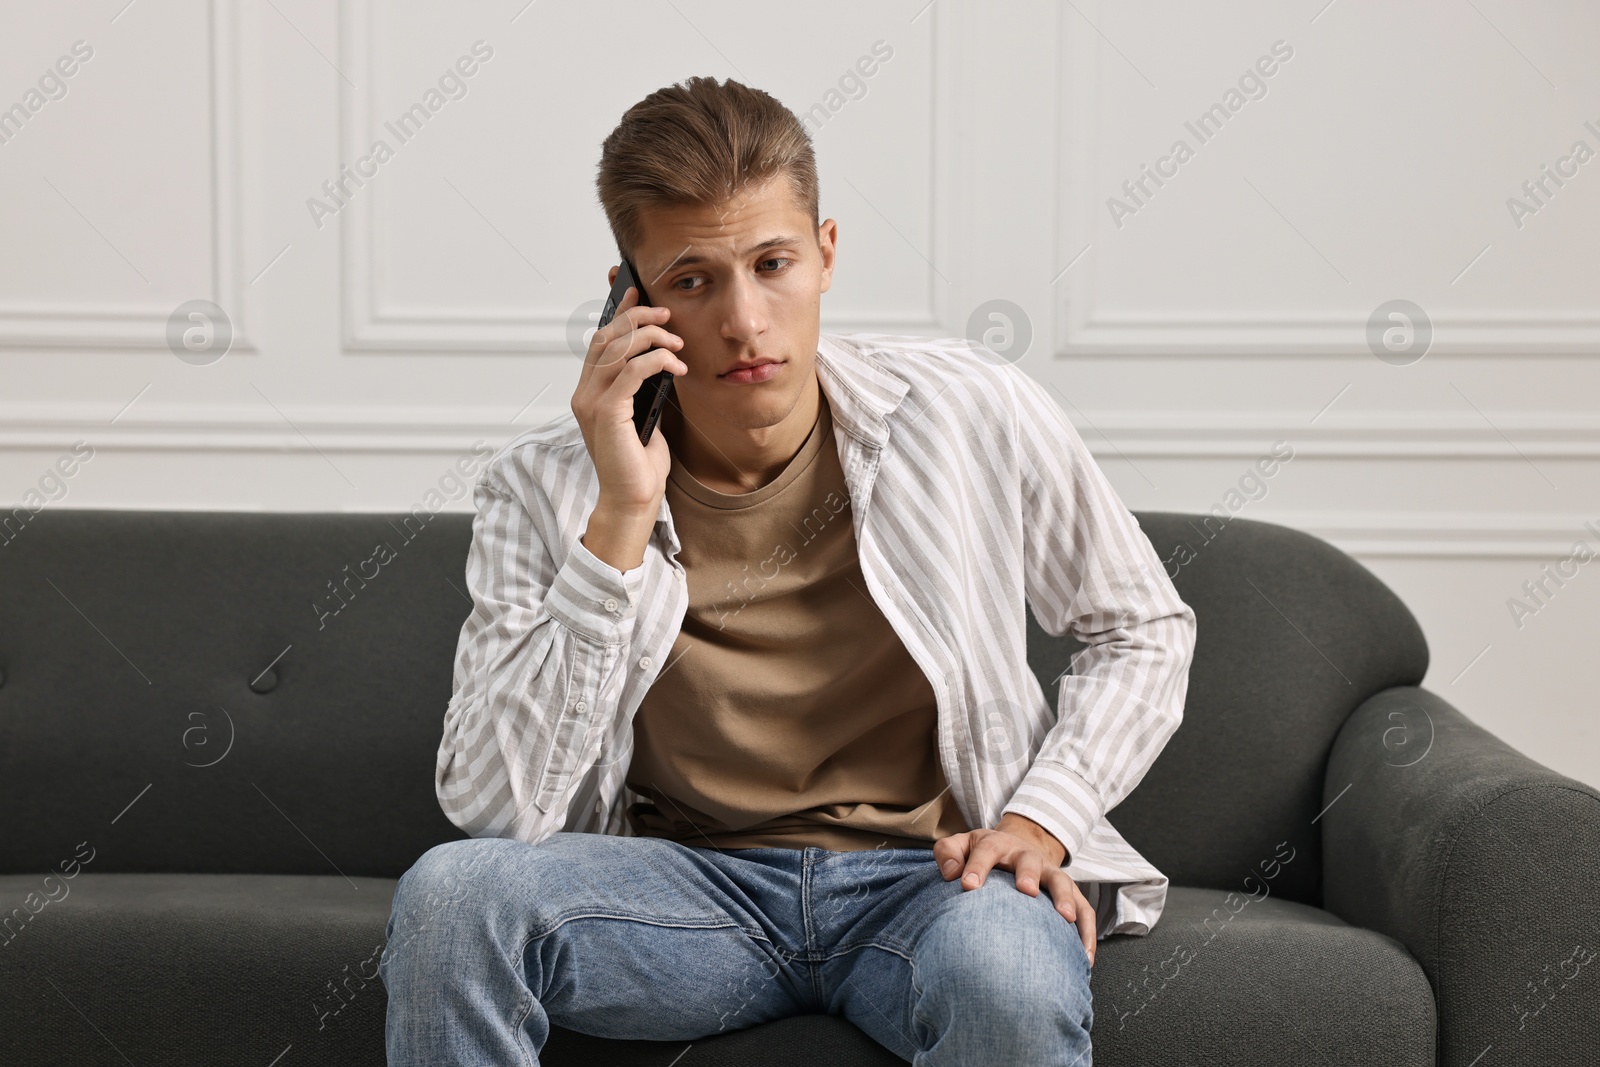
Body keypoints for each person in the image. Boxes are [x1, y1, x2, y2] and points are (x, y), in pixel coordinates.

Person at [379, 75, 1196, 1066]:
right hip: (685, 894)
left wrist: (1040, 817)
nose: (744, 320)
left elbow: (1139, 627)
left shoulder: (975, 408)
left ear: (826, 253)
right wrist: (621, 515)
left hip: (935, 881)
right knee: (450, 897)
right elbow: (494, 809)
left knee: (1008, 977)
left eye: (772, 263)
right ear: (628, 297)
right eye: (691, 280)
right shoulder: (544, 487)